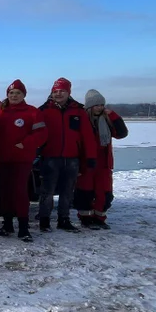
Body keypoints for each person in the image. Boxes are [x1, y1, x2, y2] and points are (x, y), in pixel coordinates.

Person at [36, 77, 97, 232]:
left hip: (72, 158)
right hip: (50, 157)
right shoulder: (43, 111)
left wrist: (90, 158)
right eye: (55, 91)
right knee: (47, 191)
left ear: (68, 92)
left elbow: (87, 137)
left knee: (67, 191)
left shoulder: (78, 111)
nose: (58, 94)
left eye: (61, 91)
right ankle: (44, 220)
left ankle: (64, 219)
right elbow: (36, 134)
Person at [0, 80, 46, 241]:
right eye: (11, 93)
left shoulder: (32, 112)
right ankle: (7, 224)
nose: (14, 96)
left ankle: (23, 227)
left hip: (22, 160)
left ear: (24, 95)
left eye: (18, 93)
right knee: (5, 192)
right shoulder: (0, 113)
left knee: (20, 192)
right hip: (3, 159)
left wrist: (25, 144)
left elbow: (42, 134)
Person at [75, 89, 128, 229]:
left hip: (103, 163)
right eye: (96, 105)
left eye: (101, 105)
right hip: (86, 162)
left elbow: (122, 133)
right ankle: (85, 218)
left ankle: (99, 217)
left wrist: (114, 115)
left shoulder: (107, 121)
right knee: (85, 191)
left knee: (104, 192)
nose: (99, 108)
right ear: (90, 106)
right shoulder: (82, 121)